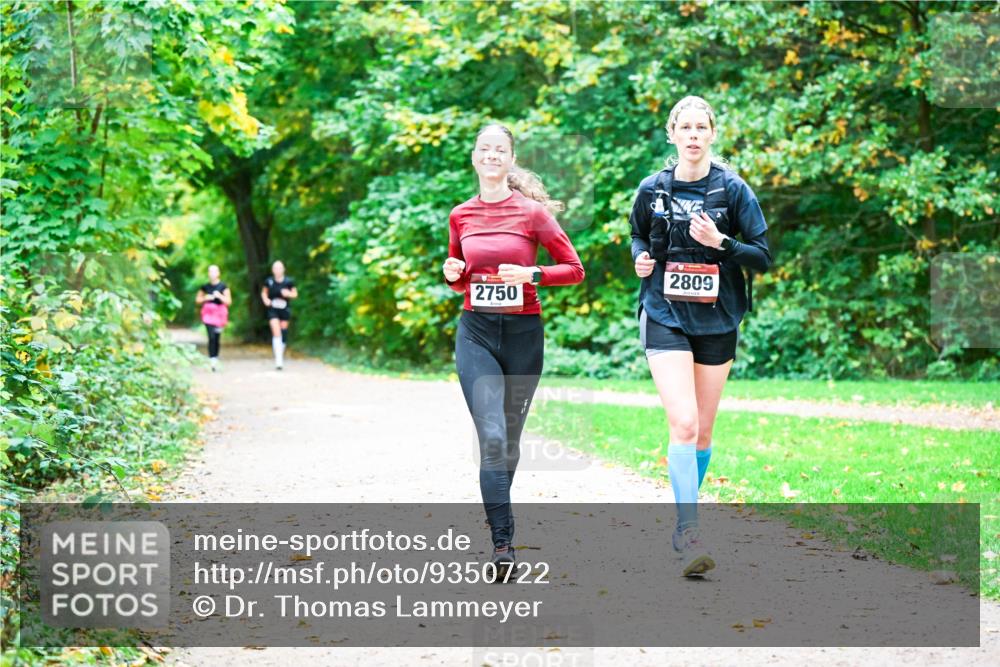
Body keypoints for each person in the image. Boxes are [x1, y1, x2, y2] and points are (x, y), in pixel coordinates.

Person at [628, 96, 772, 576]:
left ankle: (681, 519)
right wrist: (640, 259)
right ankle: (690, 530)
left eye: (700, 127)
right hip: (664, 312)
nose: (692, 135)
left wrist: (722, 244)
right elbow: (637, 236)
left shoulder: (733, 190)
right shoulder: (652, 188)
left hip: (719, 318)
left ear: (712, 134)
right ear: (672, 135)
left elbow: (763, 256)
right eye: (683, 127)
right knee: (684, 425)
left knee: (704, 431)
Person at [443, 124, 585, 578]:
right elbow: (460, 274)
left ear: (509, 158)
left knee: (508, 444)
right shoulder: (460, 214)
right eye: (484, 148)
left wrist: (533, 276)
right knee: (492, 441)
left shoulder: (532, 214)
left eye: (499, 149)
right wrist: (451, 273)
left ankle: (497, 503)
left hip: (524, 337)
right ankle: (502, 546)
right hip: (476, 335)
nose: (491, 155)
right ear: (474, 157)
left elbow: (574, 269)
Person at [260, 261, 298, 370]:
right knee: (276, 332)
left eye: (279, 268)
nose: (277, 270)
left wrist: (288, 294)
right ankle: (279, 360)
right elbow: (264, 293)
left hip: (284, 309)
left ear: (283, 269)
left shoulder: (289, 282)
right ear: (273, 270)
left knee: (283, 332)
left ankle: (280, 352)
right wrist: (266, 300)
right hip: (273, 309)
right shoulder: (269, 281)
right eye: (275, 268)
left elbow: (295, 294)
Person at [195, 265, 232, 372]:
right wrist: (205, 298)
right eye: (210, 271)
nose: (212, 274)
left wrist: (220, 296)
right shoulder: (205, 287)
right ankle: (212, 360)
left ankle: (215, 358)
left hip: (220, 315)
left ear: (218, 273)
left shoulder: (223, 286)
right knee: (211, 336)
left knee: (216, 337)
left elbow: (229, 301)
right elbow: (197, 299)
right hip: (208, 314)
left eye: (214, 271)